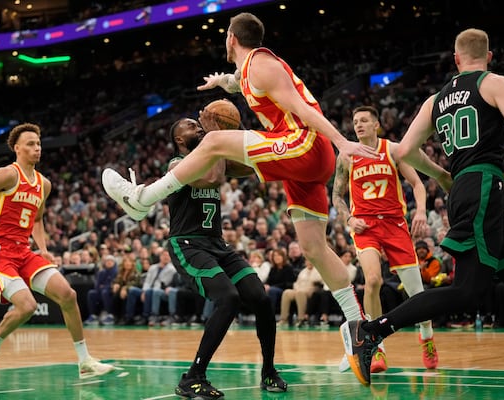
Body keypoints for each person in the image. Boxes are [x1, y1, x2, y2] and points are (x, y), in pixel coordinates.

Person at [102, 12, 378, 332]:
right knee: (314, 248)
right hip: (303, 162)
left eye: (225, 36)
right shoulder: (247, 71)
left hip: (304, 144)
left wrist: (342, 141)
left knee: (215, 140)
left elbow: (302, 109)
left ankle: (143, 197)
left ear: (232, 38)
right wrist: (222, 82)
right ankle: (361, 329)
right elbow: (238, 83)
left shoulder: (261, 65)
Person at [341, 28, 504, 386]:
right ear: (489, 57)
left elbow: (403, 152)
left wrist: (442, 175)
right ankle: (372, 330)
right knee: (468, 290)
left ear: (456, 59)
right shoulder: (494, 82)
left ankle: (374, 330)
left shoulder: (436, 100)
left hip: (463, 185)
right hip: (483, 183)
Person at [0, 123, 114, 382]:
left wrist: (42, 248)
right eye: (30, 144)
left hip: (24, 251)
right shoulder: (7, 174)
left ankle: (85, 361)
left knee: (68, 294)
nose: (36, 148)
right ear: (17, 148)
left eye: (38, 143)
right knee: (28, 306)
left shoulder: (44, 184)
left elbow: (38, 219)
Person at [166, 117, 287, 399]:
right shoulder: (175, 164)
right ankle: (193, 377)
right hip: (188, 244)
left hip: (217, 244)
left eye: (198, 123)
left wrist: (249, 142)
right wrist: (217, 136)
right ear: (180, 140)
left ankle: (269, 371)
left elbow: (248, 166)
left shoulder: (214, 155)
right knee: (228, 298)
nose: (197, 125)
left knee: (260, 297)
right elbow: (212, 177)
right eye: (189, 125)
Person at [332, 106, 438, 373]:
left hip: (395, 224)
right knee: (373, 280)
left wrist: (422, 211)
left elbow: (417, 184)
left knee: (416, 293)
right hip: (365, 226)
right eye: (355, 121)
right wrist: (348, 220)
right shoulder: (346, 156)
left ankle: (427, 338)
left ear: (376, 124)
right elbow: (336, 196)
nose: (358, 125)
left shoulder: (393, 150)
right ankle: (377, 347)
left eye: (364, 120)